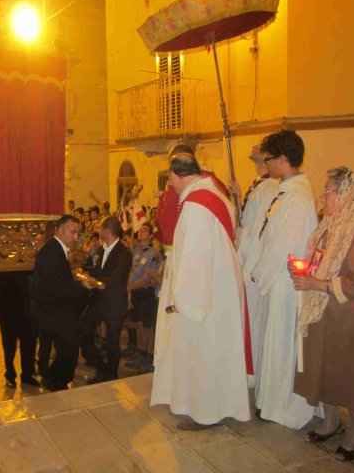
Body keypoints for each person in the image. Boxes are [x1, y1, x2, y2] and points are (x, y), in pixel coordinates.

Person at [151, 152, 250, 430]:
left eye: (171, 182)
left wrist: (182, 300)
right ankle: (222, 404)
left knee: (204, 349)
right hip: (221, 285)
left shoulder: (195, 206)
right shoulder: (216, 195)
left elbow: (194, 258)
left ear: (176, 175)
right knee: (219, 348)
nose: (173, 187)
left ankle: (205, 411)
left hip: (204, 292)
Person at [291, 168, 354, 461]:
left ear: (345, 195)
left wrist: (317, 283)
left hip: (347, 316)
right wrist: (302, 268)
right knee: (322, 370)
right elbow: (320, 260)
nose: (322, 196)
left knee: (350, 376)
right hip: (321, 310)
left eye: (328, 191)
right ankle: (330, 422)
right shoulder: (327, 225)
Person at [250, 130, 319, 429]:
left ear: (282, 160)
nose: (265, 165)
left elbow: (284, 248)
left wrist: (259, 271)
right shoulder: (287, 193)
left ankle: (280, 406)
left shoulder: (298, 200)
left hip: (285, 284)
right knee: (272, 341)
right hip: (275, 279)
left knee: (281, 343)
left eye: (268, 160)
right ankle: (269, 400)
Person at [232, 144, 278, 386]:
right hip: (244, 253)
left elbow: (260, 228)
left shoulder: (270, 186)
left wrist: (251, 264)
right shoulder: (258, 183)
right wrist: (239, 197)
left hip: (251, 260)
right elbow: (246, 219)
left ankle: (255, 376)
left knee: (254, 320)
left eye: (260, 147)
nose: (254, 148)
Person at [30, 215, 88, 391]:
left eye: (77, 233)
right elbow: (56, 286)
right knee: (68, 347)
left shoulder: (56, 249)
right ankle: (57, 382)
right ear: (61, 230)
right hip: (53, 310)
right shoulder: (51, 252)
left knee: (68, 347)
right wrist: (82, 286)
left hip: (56, 308)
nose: (76, 237)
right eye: (73, 232)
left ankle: (56, 379)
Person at [80, 216, 132, 383]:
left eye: (100, 229)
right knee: (82, 330)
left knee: (112, 342)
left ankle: (111, 375)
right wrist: (85, 272)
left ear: (107, 231)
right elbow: (99, 270)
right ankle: (101, 367)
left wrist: (93, 282)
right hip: (99, 300)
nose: (99, 231)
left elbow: (116, 279)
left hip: (114, 303)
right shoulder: (103, 248)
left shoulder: (124, 253)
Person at [125, 222, 161, 373]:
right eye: (139, 230)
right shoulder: (136, 252)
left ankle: (149, 356)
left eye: (145, 230)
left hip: (146, 293)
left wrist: (129, 288)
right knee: (138, 324)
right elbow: (130, 272)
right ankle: (141, 352)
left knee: (147, 327)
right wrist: (129, 291)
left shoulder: (154, 254)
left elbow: (148, 278)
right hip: (135, 292)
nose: (140, 232)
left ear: (151, 236)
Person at [0, 271, 39, 388]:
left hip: (26, 307)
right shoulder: (0, 257)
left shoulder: (27, 256)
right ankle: (10, 375)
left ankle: (27, 375)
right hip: (6, 307)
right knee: (9, 345)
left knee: (29, 343)